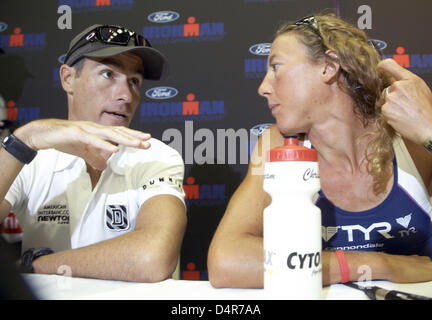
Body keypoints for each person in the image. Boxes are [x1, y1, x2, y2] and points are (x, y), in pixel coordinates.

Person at [207, 13, 432, 288]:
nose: (263, 87)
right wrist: (383, 264)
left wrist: (429, 132)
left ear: (328, 66)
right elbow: (226, 262)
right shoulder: (277, 144)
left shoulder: (410, 142)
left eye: (276, 67)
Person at [0, 25, 187, 283]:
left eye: (134, 81)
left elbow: (152, 258)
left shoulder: (154, 155)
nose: (125, 95)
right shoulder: (31, 156)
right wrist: (25, 139)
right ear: (68, 79)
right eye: (108, 73)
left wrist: (36, 266)